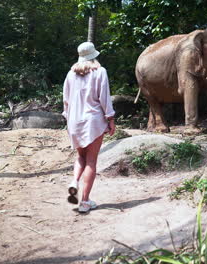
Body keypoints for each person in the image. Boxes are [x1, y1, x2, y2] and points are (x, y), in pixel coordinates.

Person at [62, 42, 115, 213]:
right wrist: (111, 119)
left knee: (81, 157)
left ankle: (74, 182)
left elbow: (66, 100)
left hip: (74, 121)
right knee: (91, 161)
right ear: (94, 55)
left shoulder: (71, 74)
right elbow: (104, 98)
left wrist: (67, 118)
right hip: (93, 121)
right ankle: (84, 202)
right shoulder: (100, 72)